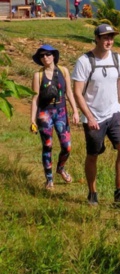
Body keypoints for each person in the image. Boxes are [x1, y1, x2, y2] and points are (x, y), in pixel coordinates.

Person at [72, 24, 120, 206]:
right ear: (96, 38)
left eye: (111, 37)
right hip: (94, 115)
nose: (109, 41)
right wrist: (89, 117)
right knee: (93, 154)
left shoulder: (117, 58)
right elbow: (77, 92)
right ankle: (92, 192)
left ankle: (119, 190)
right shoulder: (85, 61)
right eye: (105, 37)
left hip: (114, 112)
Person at [30, 45, 80, 189]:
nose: (45, 57)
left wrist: (75, 111)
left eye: (47, 54)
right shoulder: (38, 75)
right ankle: (49, 179)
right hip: (45, 114)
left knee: (67, 146)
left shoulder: (63, 71)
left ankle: (60, 168)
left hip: (61, 112)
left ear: (53, 56)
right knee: (47, 146)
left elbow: (69, 93)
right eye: (42, 56)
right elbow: (35, 99)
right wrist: (32, 120)